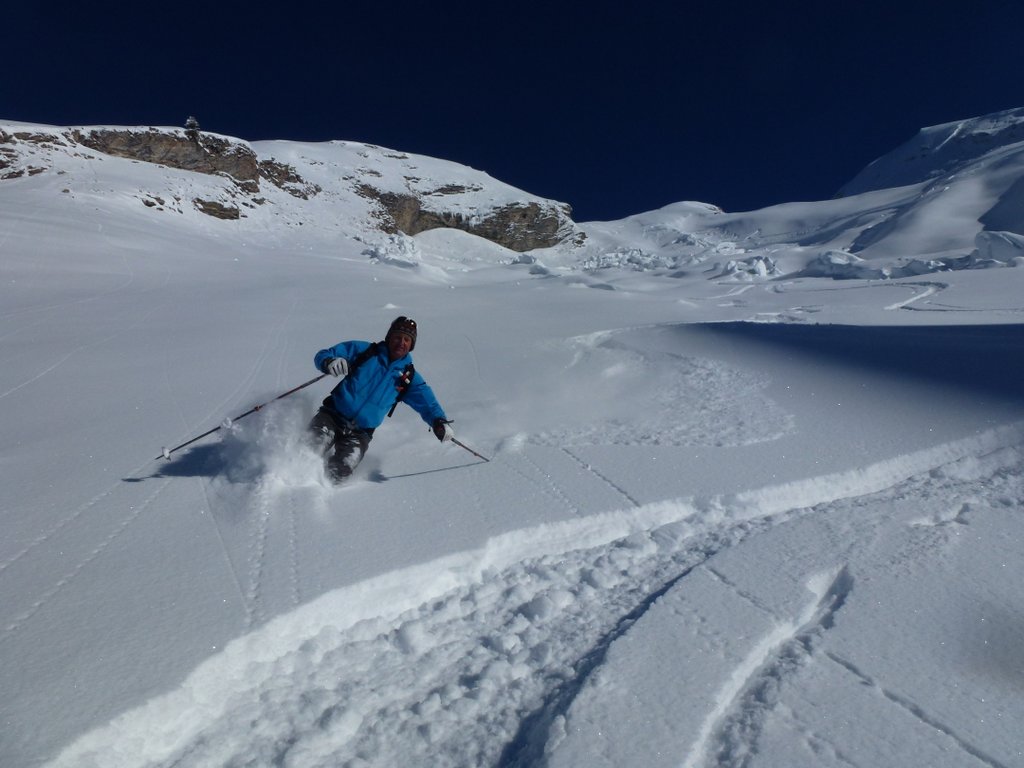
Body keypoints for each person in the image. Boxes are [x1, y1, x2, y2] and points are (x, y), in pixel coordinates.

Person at [309, 316, 453, 481]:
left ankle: (317, 488)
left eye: (407, 340)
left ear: (411, 345)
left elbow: (427, 403)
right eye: (397, 337)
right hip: (331, 416)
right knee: (310, 449)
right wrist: (329, 362)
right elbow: (324, 354)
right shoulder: (366, 351)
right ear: (389, 337)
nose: (401, 342)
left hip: (360, 433)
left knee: (340, 472)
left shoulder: (408, 377)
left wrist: (439, 421)